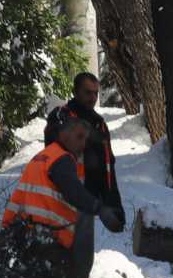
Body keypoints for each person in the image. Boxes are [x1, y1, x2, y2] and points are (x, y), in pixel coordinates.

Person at [1, 111, 123, 278]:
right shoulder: (62, 159)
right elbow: (74, 192)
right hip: (43, 241)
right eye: (79, 137)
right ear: (64, 135)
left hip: (21, 235)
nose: (83, 144)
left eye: (86, 139)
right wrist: (100, 209)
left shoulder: (45, 156)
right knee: (85, 213)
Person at [43, 72, 125, 232]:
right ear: (75, 92)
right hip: (61, 201)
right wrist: (88, 135)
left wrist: (113, 202)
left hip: (87, 206)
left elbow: (108, 166)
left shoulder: (99, 124)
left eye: (96, 93)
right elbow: (57, 148)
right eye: (88, 92)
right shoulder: (61, 116)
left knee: (82, 256)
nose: (93, 98)